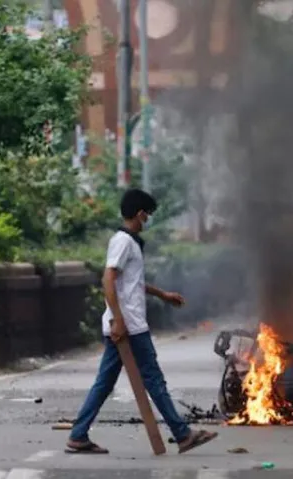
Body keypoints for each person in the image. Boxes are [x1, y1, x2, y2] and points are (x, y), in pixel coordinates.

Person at [66, 189, 218, 455]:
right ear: (139, 214)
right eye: (147, 214)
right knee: (154, 380)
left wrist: (163, 295)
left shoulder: (128, 242)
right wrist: (118, 320)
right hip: (130, 327)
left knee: (105, 383)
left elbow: (131, 283)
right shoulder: (123, 241)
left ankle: (78, 435)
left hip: (127, 324)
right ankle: (183, 434)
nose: (147, 219)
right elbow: (108, 279)